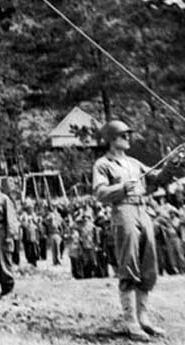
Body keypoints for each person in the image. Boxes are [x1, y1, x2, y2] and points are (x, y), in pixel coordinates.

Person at [93, 119, 169, 341]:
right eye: (123, 135)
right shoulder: (103, 164)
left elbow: (159, 178)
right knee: (129, 263)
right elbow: (99, 193)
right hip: (122, 211)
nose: (128, 138)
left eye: (128, 135)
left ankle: (143, 318)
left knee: (148, 262)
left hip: (142, 210)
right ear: (111, 139)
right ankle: (130, 321)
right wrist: (122, 188)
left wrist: (175, 164)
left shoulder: (134, 163)